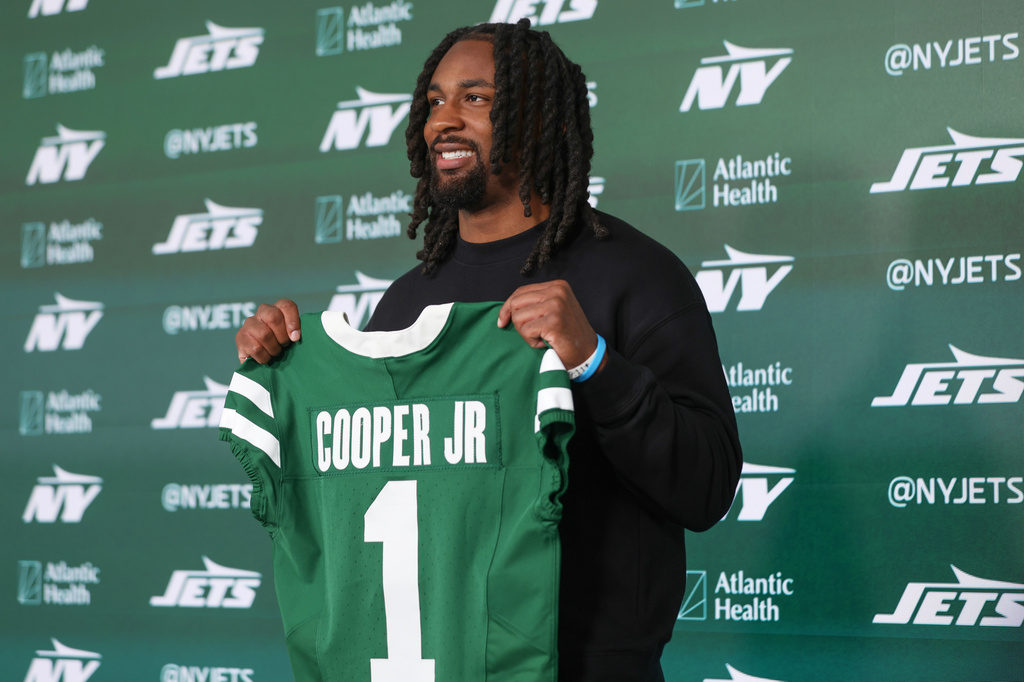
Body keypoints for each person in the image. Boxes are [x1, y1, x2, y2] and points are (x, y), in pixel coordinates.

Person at [236, 19, 742, 682]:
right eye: (434, 102)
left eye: (474, 98)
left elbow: (706, 488)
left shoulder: (637, 275)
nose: (444, 120)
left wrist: (593, 361)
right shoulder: (406, 304)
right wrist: (281, 363)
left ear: (541, 118)